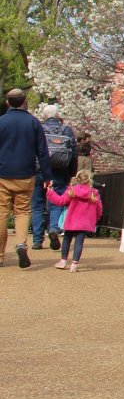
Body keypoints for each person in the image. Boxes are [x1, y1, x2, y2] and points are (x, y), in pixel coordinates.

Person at [0, 88, 50, 269]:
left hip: (2, 175)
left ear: (8, 103)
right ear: (24, 102)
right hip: (26, 175)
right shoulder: (33, 122)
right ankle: (21, 243)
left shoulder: (1, 122)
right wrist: (47, 175)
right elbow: (43, 152)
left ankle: (0, 256)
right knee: (22, 212)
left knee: (1, 214)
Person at [32, 104, 78, 251]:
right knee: (56, 202)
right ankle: (53, 229)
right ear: (58, 115)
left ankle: (37, 240)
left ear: (44, 116)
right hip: (60, 171)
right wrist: (71, 173)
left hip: (39, 170)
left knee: (38, 205)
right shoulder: (66, 130)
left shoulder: (38, 128)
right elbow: (74, 154)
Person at [46, 169, 102, 271]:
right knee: (79, 242)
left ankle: (63, 261)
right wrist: (97, 218)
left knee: (67, 240)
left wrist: (50, 193)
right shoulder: (94, 193)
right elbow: (99, 208)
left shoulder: (72, 191)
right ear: (90, 181)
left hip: (71, 220)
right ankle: (74, 264)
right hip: (85, 222)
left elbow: (60, 201)